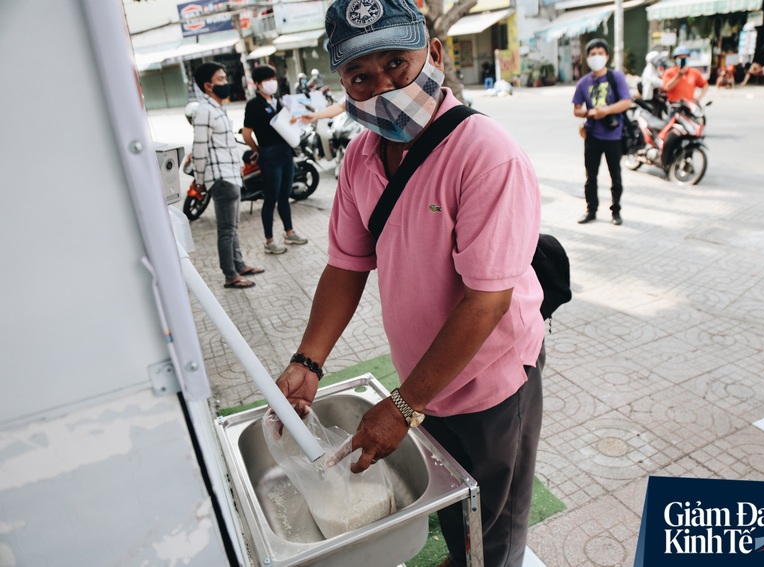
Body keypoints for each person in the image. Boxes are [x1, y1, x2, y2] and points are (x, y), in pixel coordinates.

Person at [274, 0, 546, 564]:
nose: (385, 86)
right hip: (424, 379)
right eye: (361, 76)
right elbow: (347, 264)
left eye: (398, 63)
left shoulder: (484, 155)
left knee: (494, 511)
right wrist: (309, 360)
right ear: (343, 86)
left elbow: (486, 301)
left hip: (489, 378)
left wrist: (402, 405)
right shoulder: (359, 159)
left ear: (435, 54)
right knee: (451, 502)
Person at [191, 62, 262, 289]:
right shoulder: (204, 111)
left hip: (231, 175)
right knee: (226, 230)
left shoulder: (217, 108)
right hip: (220, 178)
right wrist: (200, 181)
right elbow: (199, 148)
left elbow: (224, 144)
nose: (225, 83)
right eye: (220, 79)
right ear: (208, 85)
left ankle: (239, 265)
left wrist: (245, 157)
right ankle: (230, 275)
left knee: (232, 227)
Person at [242, 65, 308, 253]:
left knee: (284, 196)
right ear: (257, 84)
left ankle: (289, 232)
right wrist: (258, 150)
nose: (272, 83)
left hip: (285, 152)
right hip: (269, 155)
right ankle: (269, 241)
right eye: (267, 80)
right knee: (270, 198)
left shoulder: (277, 101)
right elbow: (247, 134)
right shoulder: (253, 105)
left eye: (273, 79)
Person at [572, 38, 633, 226]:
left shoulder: (616, 78)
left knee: (615, 175)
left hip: (614, 136)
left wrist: (606, 110)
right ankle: (591, 210)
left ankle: (616, 211)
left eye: (600, 53)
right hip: (592, 136)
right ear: (587, 58)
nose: (596, 57)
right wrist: (590, 112)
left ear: (607, 56)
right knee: (591, 176)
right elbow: (576, 109)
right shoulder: (583, 83)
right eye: (592, 54)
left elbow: (627, 102)